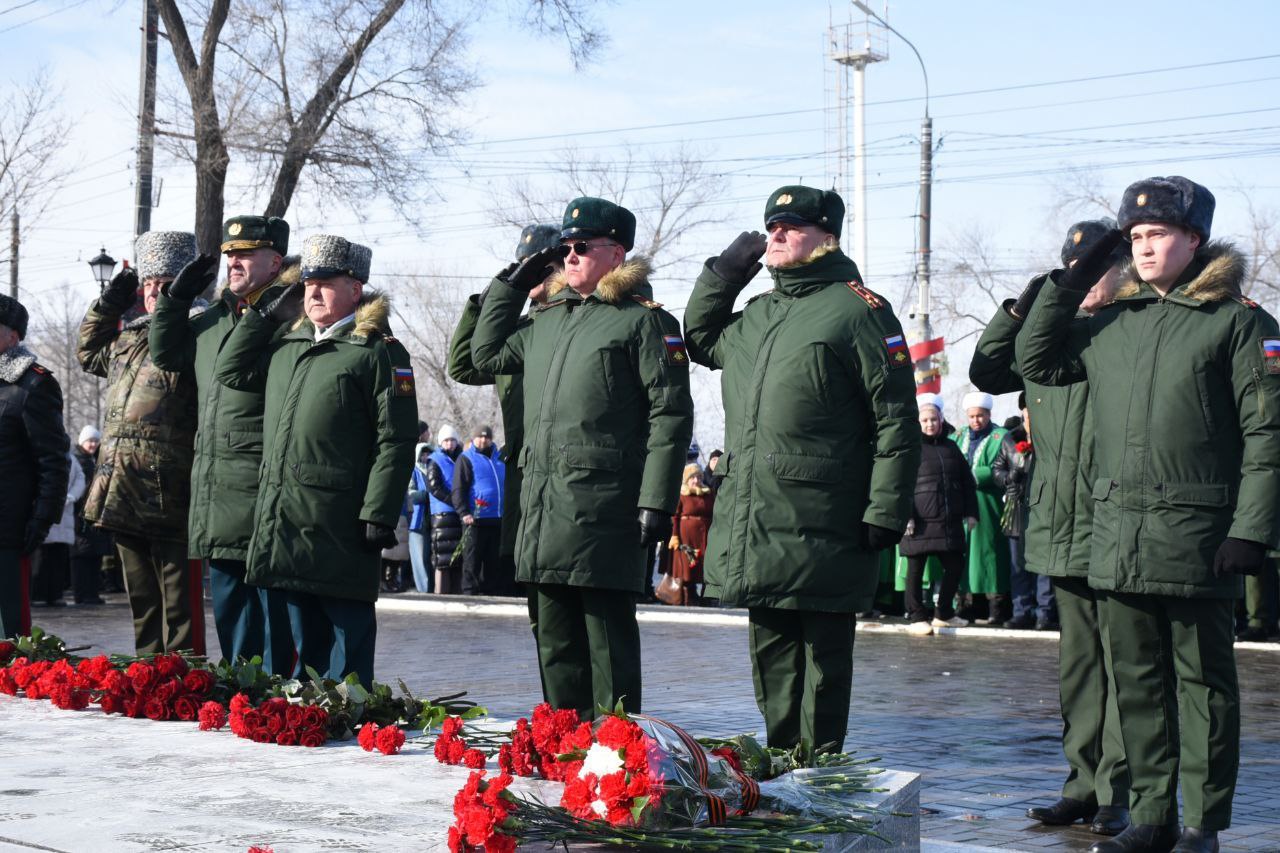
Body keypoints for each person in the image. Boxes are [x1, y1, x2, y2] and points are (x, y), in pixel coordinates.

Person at [1018, 177, 1280, 853]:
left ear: (1195, 239)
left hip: (1198, 540)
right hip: (1117, 539)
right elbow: (1035, 358)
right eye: (1134, 237)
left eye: (1157, 234)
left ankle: (1203, 822)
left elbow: (1268, 433)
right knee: (1135, 685)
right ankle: (1152, 812)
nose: (1144, 247)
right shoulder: (1110, 323)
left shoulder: (1238, 322)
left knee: (1204, 690)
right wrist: (1073, 278)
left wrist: (1251, 528)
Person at [683, 185, 920, 753]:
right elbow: (698, 337)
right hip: (757, 515)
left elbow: (895, 420)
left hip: (825, 519)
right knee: (770, 653)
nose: (777, 234)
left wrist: (885, 509)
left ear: (826, 234)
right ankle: (784, 764)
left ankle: (818, 772)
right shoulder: (759, 313)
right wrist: (724, 274)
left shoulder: (860, 310)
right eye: (772, 226)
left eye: (791, 224)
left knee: (822, 659)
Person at [472, 196, 694, 716]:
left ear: (615, 254)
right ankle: (563, 747)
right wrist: (510, 284)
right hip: (544, 506)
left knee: (605, 642)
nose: (568, 256)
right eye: (564, 248)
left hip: (605, 507)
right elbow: (483, 355)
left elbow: (671, 414)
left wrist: (656, 501)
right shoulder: (547, 320)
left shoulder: (644, 322)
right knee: (553, 639)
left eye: (581, 247)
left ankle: (615, 755)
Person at [970, 217, 1131, 837]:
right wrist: (1025, 302)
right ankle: (1082, 784)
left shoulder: (1120, 331)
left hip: (1115, 522)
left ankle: (1119, 789)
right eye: (1077, 270)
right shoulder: (1047, 339)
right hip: (1061, 524)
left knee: (1125, 669)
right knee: (1080, 668)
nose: (1089, 282)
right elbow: (988, 372)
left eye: (1099, 269)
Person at [213, 234, 418, 686]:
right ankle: (299, 717)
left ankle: (348, 717)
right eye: (308, 283)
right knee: (293, 637)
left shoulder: (378, 351)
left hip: (340, 520)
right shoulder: (287, 344)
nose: (314, 292)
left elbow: (397, 439)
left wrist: (379, 511)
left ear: (355, 289)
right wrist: (264, 314)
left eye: (326, 282)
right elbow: (230, 370)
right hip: (284, 518)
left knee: (346, 632)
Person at [150, 215, 296, 671]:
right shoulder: (215, 318)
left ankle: (275, 696)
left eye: (245, 254)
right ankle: (240, 686)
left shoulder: (288, 316)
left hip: (259, 476)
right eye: (230, 254)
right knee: (231, 601)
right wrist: (174, 300)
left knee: (270, 603)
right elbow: (166, 353)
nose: (233, 261)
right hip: (216, 481)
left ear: (275, 262)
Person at [78, 231, 205, 655]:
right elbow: (87, 351)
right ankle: (149, 677)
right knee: (142, 600)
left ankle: (186, 677)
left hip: (170, 488)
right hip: (121, 486)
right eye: (148, 284)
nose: (154, 292)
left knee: (178, 601)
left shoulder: (199, 332)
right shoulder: (128, 338)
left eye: (164, 282)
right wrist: (112, 299)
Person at [448, 224, 560, 597]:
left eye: (540, 267)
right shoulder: (516, 332)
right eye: (523, 266)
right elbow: (463, 366)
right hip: (522, 483)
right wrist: (491, 298)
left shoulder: (565, 327)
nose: (531, 275)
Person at [0, 293, 70, 638]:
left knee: (8, 634)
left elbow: (53, 460)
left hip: (8, 529)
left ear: (12, 336)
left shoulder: (34, 384)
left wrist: (43, 518)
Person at [900, 394, 977, 636]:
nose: (930, 424)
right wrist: (906, 516)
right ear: (918, 422)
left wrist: (971, 513)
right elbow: (901, 484)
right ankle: (916, 617)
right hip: (919, 522)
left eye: (933, 419)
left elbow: (967, 482)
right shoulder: (910, 447)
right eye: (925, 420)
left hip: (949, 521)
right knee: (915, 570)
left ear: (941, 420)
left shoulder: (951, 447)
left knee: (956, 565)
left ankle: (943, 613)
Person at [992, 395, 1058, 630]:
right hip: (1016, 507)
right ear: (1022, 412)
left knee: (1043, 565)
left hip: (1044, 508)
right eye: (1027, 412)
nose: (1031, 417)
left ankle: (1045, 613)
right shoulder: (1011, 439)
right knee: (1017, 565)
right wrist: (1009, 477)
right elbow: (997, 470)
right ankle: (1021, 611)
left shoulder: (1052, 436)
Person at [952, 391, 1012, 625]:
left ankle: (997, 606)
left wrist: (973, 475)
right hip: (962, 504)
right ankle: (967, 604)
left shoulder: (1001, 436)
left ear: (989, 414)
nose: (976, 420)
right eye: (972, 416)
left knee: (990, 554)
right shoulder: (959, 436)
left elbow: (1005, 464)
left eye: (981, 415)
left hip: (989, 504)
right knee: (965, 555)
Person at [452, 425, 508, 595]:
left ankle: (491, 594)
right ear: (474, 438)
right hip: (475, 520)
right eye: (480, 437)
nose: (483, 440)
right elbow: (458, 489)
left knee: (493, 562)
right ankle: (469, 593)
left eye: (487, 437)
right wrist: (464, 512)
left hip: (497, 519)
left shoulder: (499, 459)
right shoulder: (466, 458)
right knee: (472, 561)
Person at [32, 450, 85, 608]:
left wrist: (72, 496)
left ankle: (56, 594)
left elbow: (79, 478)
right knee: (41, 558)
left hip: (64, 510)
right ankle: (38, 594)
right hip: (43, 506)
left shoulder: (71, 457)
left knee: (58, 557)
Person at [661, 463, 715, 606]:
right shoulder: (682, 495)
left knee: (702, 566)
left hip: (704, 536)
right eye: (692, 477)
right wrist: (674, 535)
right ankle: (686, 595)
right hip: (686, 536)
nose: (696, 480)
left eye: (698, 477)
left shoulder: (708, 494)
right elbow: (675, 516)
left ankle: (702, 596)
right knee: (688, 565)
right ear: (687, 479)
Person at [71, 426, 111, 605]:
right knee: (83, 556)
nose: (93, 444)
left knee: (93, 555)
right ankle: (83, 594)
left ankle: (90, 593)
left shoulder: (92, 460)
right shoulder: (78, 461)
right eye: (90, 441)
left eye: (96, 440)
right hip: (81, 514)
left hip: (93, 514)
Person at [426, 425, 464, 594]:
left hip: (459, 513)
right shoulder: (434, 460)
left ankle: (457, 593)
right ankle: (441, 593)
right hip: (443, 513)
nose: (450, 443)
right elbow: (435, 487)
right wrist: (455, 501)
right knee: (442, 558)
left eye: (452, 440)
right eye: (446, 440)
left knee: (458, 558)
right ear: (441, 442)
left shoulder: (462, 458)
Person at [406, 441, 434, 593]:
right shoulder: (414, 471)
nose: (426, 456)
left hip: (432, 518)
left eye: (428, 453)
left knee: (429, 556)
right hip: (417, 520)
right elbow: (410, 494)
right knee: (419, 558)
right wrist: (428, 495)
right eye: (423, 453)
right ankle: (423, 589)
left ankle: (431, 587)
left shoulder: (434, 469)